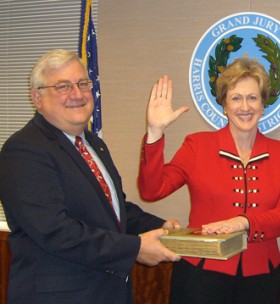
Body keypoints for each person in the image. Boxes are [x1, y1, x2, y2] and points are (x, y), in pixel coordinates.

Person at [0, 49, 181, 304]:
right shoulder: (24, 150)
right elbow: (56, 231)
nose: (77, 94)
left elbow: (113, 210)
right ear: (37, 98)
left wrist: (158, 227)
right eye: (63, 86)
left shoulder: (93, 144)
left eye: (83, 83)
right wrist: (135, 248)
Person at [138, 57, 280, 304]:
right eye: (235, 98)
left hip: (261, 278)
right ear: (224, 105)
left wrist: (243, 222)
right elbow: (152, 190)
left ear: (263, 103)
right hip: (201, 276)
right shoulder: (197, 145)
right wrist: (155, 133)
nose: (245, 106)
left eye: (252, 97)